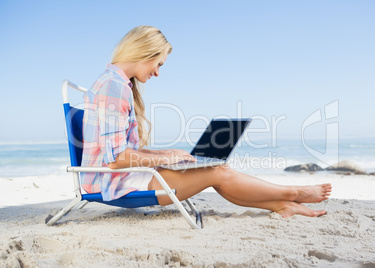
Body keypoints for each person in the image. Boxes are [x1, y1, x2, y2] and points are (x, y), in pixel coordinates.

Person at [81, 25, 332, 218]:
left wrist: (167, 154)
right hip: (115, 183)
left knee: (217, 169)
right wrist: (165, 157)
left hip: (128, 175)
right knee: (216, 170)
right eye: (159, 63)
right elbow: (115, 159)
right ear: (145, 52)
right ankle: (294, 193)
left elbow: (121, 152)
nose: (157, 72)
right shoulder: (113, 86)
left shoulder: (115, 83)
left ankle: (284, 204)